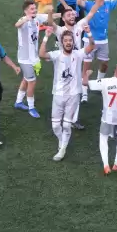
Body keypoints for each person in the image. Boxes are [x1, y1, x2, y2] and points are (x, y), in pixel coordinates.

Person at [47, 0, 103, 129]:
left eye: (73, 14)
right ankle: (60, 115)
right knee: (62, 86)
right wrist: (50, 12)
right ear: (63, 18)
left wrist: (99, 2)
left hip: (76, 60)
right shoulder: (60, 31)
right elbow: (50, 23)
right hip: (63, 62)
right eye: (69, 15)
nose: (72, 16)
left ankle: (73, 119)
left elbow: (91, 13)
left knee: (76, 89)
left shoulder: (79, 26)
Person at [40, 27, 96, 161]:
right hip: (58, 94)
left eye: (70, 40)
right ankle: (62, 141)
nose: (68, 42)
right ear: (62, 42)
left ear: (73, 42)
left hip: (73, 94)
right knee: (55, 125)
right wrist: (46, 37)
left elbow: (92, 46)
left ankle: (62, 149)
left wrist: (89, 33)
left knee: (66, 124)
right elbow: (41, 54)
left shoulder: (78, 54)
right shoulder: (57, 55)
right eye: (65, 41)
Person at [14, 0, 58, 118]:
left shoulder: (37, 18)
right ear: (26, 11)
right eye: (31, 9)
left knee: (26, 79)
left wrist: (54, 12)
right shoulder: (23, 20)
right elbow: (17, 25)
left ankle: (18, 101)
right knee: (32, 82)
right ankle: (31, 107)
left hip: (33, 57)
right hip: (25, 59)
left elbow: (51, 18)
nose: (34, 11)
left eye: (35, 8)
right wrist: (25, 19)